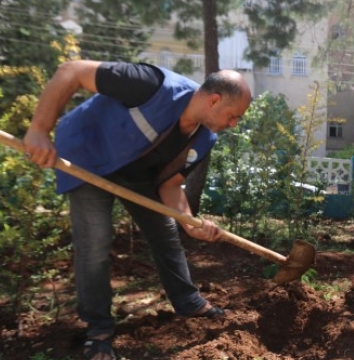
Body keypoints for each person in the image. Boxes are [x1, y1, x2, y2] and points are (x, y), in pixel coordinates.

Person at [23, 60, 253, 360]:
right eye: (234, 116)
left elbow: (170, 185)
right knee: (95, 244)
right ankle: (99, 330)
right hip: (86, 158)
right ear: (214, 100)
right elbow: (71, 70)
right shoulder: (150, 85)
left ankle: (188, 301)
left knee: (166, 233)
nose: (234, 124)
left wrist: (190, 223)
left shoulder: (204, 138)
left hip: (136, 174)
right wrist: (39, 129)